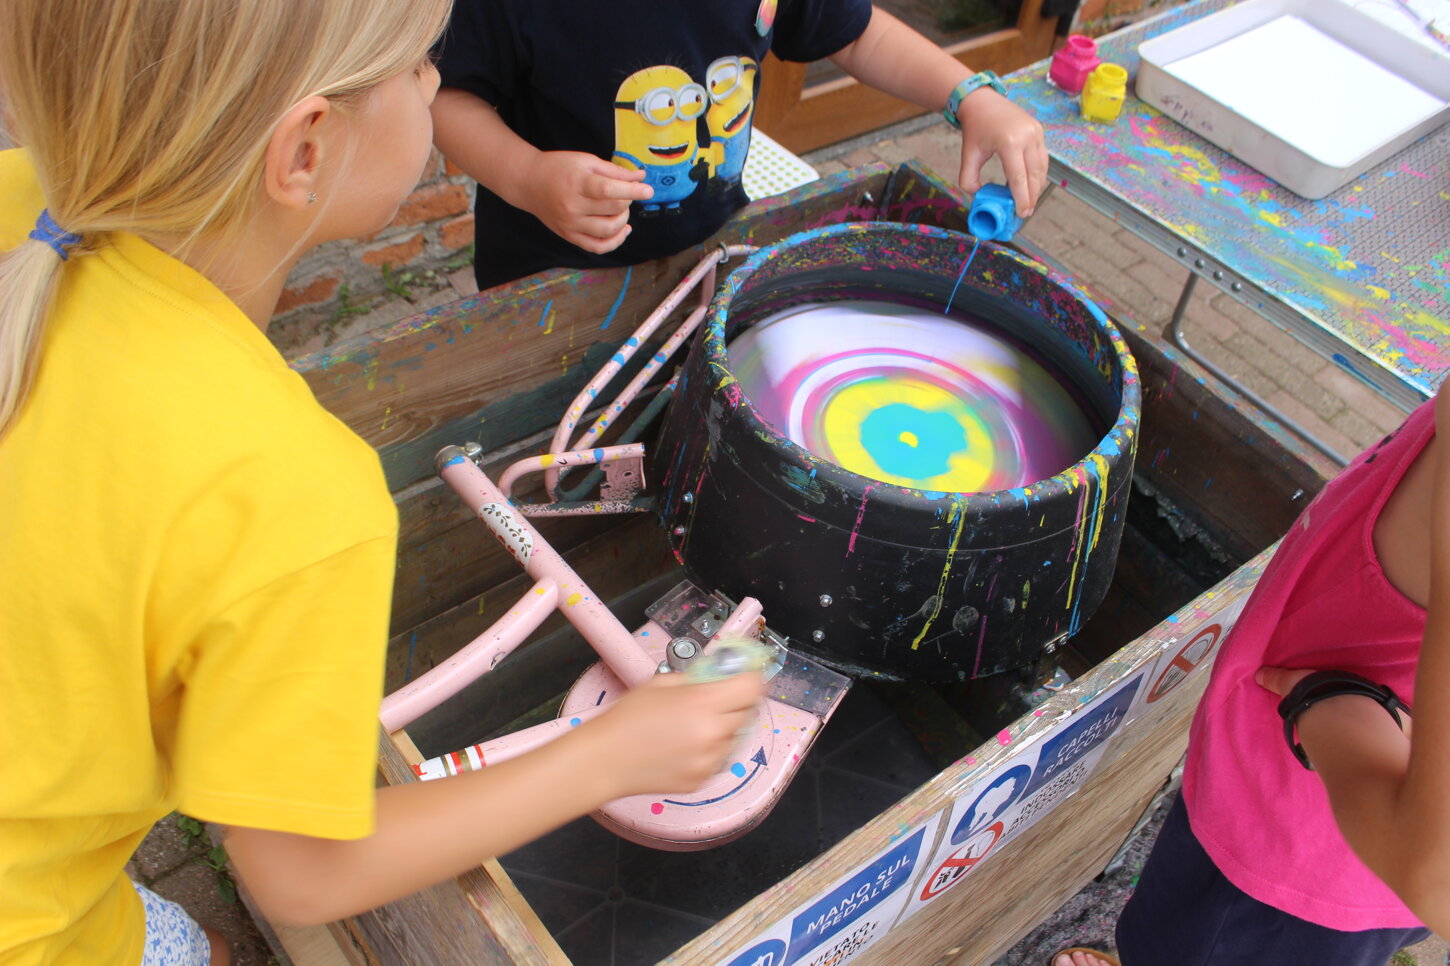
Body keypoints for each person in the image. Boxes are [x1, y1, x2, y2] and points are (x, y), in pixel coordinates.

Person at [0, 2, 764, 964]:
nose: (438, 86)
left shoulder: (31, 208)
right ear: (305, 152)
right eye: (415, 67)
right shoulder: (292, 490)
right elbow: (301, 874)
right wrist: (612, 754)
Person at [1054, 383, 1448, 966]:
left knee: (1186, 948)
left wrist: (1329, 706)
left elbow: (1434, 874)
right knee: (1166, 929)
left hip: (1291, 857)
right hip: (1261, 786)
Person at [430, 1, 1049, 291]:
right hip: (549, 275)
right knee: (563, 449)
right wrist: (527, 176)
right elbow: (442, 95)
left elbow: (856, 36)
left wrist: (969, 95)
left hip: (707, 248)